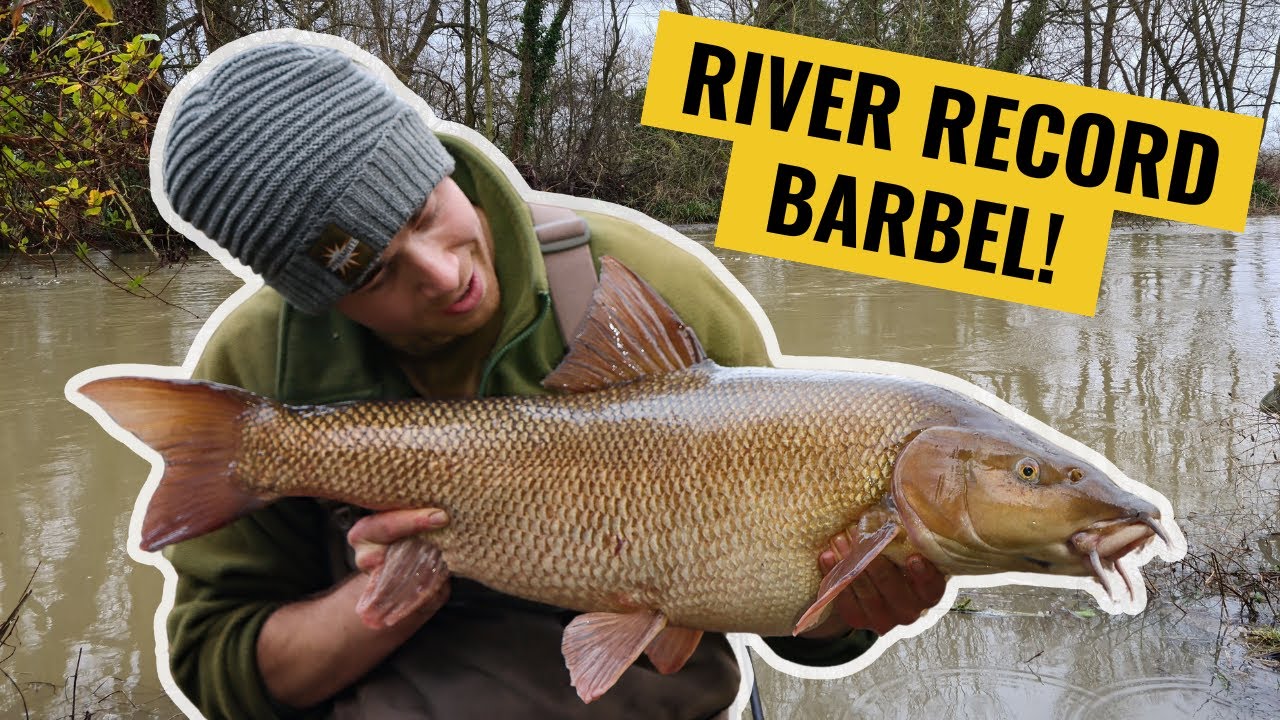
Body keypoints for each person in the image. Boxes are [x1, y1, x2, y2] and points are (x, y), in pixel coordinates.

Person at [158, 38, 946, 720]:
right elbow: (218, 670)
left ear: (442, 166)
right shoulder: (259, 369)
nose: (440, 273)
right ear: (317, 296)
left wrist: (851, 608)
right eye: (376, 274)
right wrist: (379, 605)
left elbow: (793, 626)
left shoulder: (652, 283)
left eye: (425, 212)